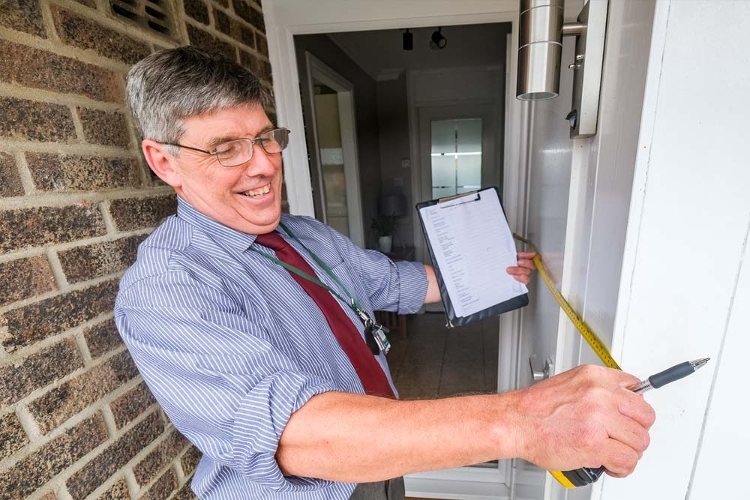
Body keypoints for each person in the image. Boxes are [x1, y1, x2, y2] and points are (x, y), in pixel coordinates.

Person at [115, 46, 655, 500]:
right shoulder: (167, 287)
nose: (262, 164)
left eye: (263, 138)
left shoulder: (306, 234)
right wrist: (520, 421)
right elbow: (297, 436)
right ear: (164, 162)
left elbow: (392, 283)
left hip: (376, 467)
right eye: (225, 149)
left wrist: (485, 272)